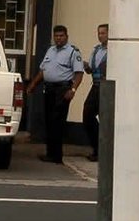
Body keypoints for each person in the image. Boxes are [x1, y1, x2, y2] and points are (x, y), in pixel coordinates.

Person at [26, 25, 84, 164]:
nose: (58, 38)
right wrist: (33, 84)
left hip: (63, 90)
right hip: (49, 89)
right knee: (49, 121)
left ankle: (57, 156)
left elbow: (79, 74)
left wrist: (73, 90)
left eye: (61, 36)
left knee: (57, 122)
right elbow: (43, 71)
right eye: (56, 36)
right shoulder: (51, 50)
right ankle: (50, 153)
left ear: (66, 37)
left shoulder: (73, 52)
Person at [82, 23, 109, 162]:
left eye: (103, 33)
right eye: (99, 33)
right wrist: (86, 66)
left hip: (107, 87)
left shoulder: (114, 50)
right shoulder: (96, 50)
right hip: (96, 86)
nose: (100, 36)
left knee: (106, 118)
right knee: (87, 115)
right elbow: (91, 70)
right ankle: (97, 146)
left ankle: (102, 150)